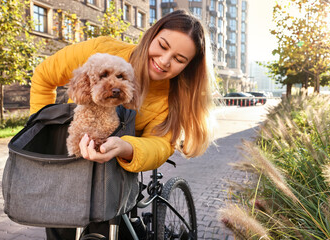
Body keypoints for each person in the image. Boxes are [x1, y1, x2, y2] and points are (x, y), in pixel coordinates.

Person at [30, 9, 216, 240]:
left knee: (120, 229)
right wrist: (41, 131)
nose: (164, 61)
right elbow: (43, 77)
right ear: (151, 35)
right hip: (68, 172)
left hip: (117, 178)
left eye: (179, 59)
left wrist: (127, 148)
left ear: (188, 66)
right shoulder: (101, 51)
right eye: (163, 45)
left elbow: (160, 144)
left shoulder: (173, 98)